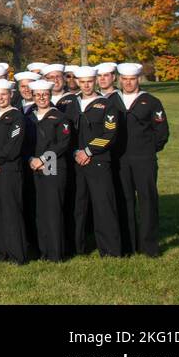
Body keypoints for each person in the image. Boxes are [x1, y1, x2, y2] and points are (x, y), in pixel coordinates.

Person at [63, 65, 124, 257]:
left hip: (98, 161)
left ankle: (110, 250)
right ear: (78, 83)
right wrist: (75, 152)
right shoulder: (71, 104)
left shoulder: (106, 105)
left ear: (95, 81)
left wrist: (88, 151)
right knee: (77, 206)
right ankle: (78, 248)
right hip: (76, 162)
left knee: (103, 206)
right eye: (83, 82)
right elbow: (66, 133)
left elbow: (110, 133)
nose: (86, 85)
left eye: (90, 81)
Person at [114, 63, 169, 257]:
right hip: (120, 160)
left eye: (132, 79)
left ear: (138, 79)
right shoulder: (113, 101)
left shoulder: (151, 101)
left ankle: (149, 246)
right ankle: (128, 244)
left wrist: (147, 149)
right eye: (125, 79)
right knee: (125, 200)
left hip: (144, 159)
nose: (128, 83)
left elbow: (161, 132)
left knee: (147, 200)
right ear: (120, 80)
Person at [0, 79, 28, 264]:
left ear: (11, 95)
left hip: (9, 169)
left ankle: (18, 253)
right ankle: (3, 252)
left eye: (4, 94)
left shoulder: (17, 117)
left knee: (12, 211)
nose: (0, 98)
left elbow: (13, 146)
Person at [26, 80, 72, 262]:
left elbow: (63, 144)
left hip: (53, 164)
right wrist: (30, 159)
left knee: (53, 209)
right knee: (39, 209)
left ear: (50, 95)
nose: (41, 98)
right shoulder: (29, 117)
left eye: (45, 94)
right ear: (33, 96)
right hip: (32, 165)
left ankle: (56, 252)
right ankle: (43, 250)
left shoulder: (59, 117)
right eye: (37, 95)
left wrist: (43, 159)